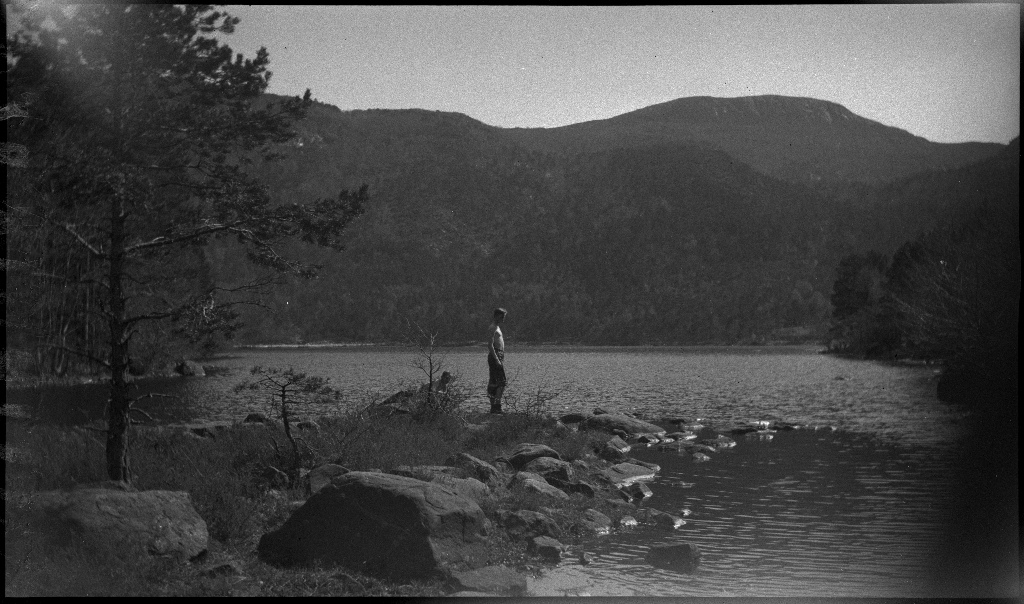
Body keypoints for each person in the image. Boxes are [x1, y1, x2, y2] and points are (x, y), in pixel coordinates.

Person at [487, 308, 507, 413]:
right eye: (502, 316)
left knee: (494, 382)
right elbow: (490, 345)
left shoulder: (497, 327)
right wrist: (497, 359)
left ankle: (494, 407)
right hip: (496, 354)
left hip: (499, 354)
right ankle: (497, 406)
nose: (503, 319)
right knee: (502, 382)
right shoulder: (493, 327)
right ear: (497, 316)